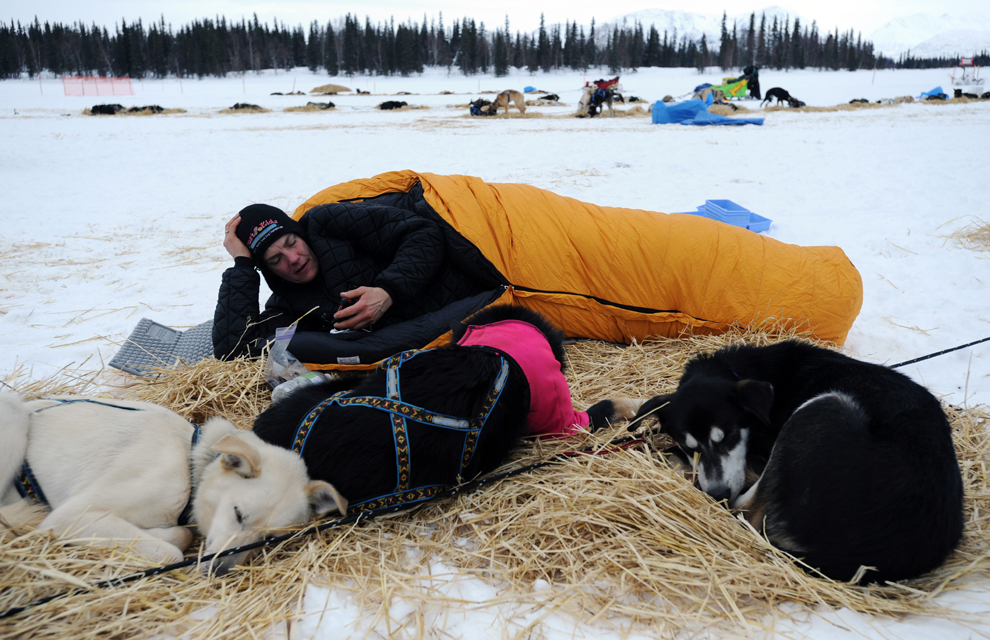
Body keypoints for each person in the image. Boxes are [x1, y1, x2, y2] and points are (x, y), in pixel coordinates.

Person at [212, 201, 501, 362]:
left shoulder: (327, 223)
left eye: (292, 242)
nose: (294, 259)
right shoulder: (289, 303)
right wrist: (243, 265)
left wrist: (387, 291)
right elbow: (234, 349)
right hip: (433, 346)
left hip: (479, 292)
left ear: (300, 232)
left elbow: (423, 233)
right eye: (276, 260)